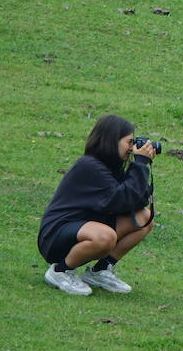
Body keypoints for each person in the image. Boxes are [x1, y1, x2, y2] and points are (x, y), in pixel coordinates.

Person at [37, 114, 157, 295]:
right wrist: (140, 164)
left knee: (144, 218)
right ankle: (60, 271)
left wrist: (140, 167)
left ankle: (100, 271)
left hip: (86, 227)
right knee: (106, 236)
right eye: (129, 142)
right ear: (112, 141)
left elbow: (134, 201)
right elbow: (121, 200)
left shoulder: (112, 167)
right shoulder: (89, 166)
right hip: (56, 233)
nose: (132, 148)